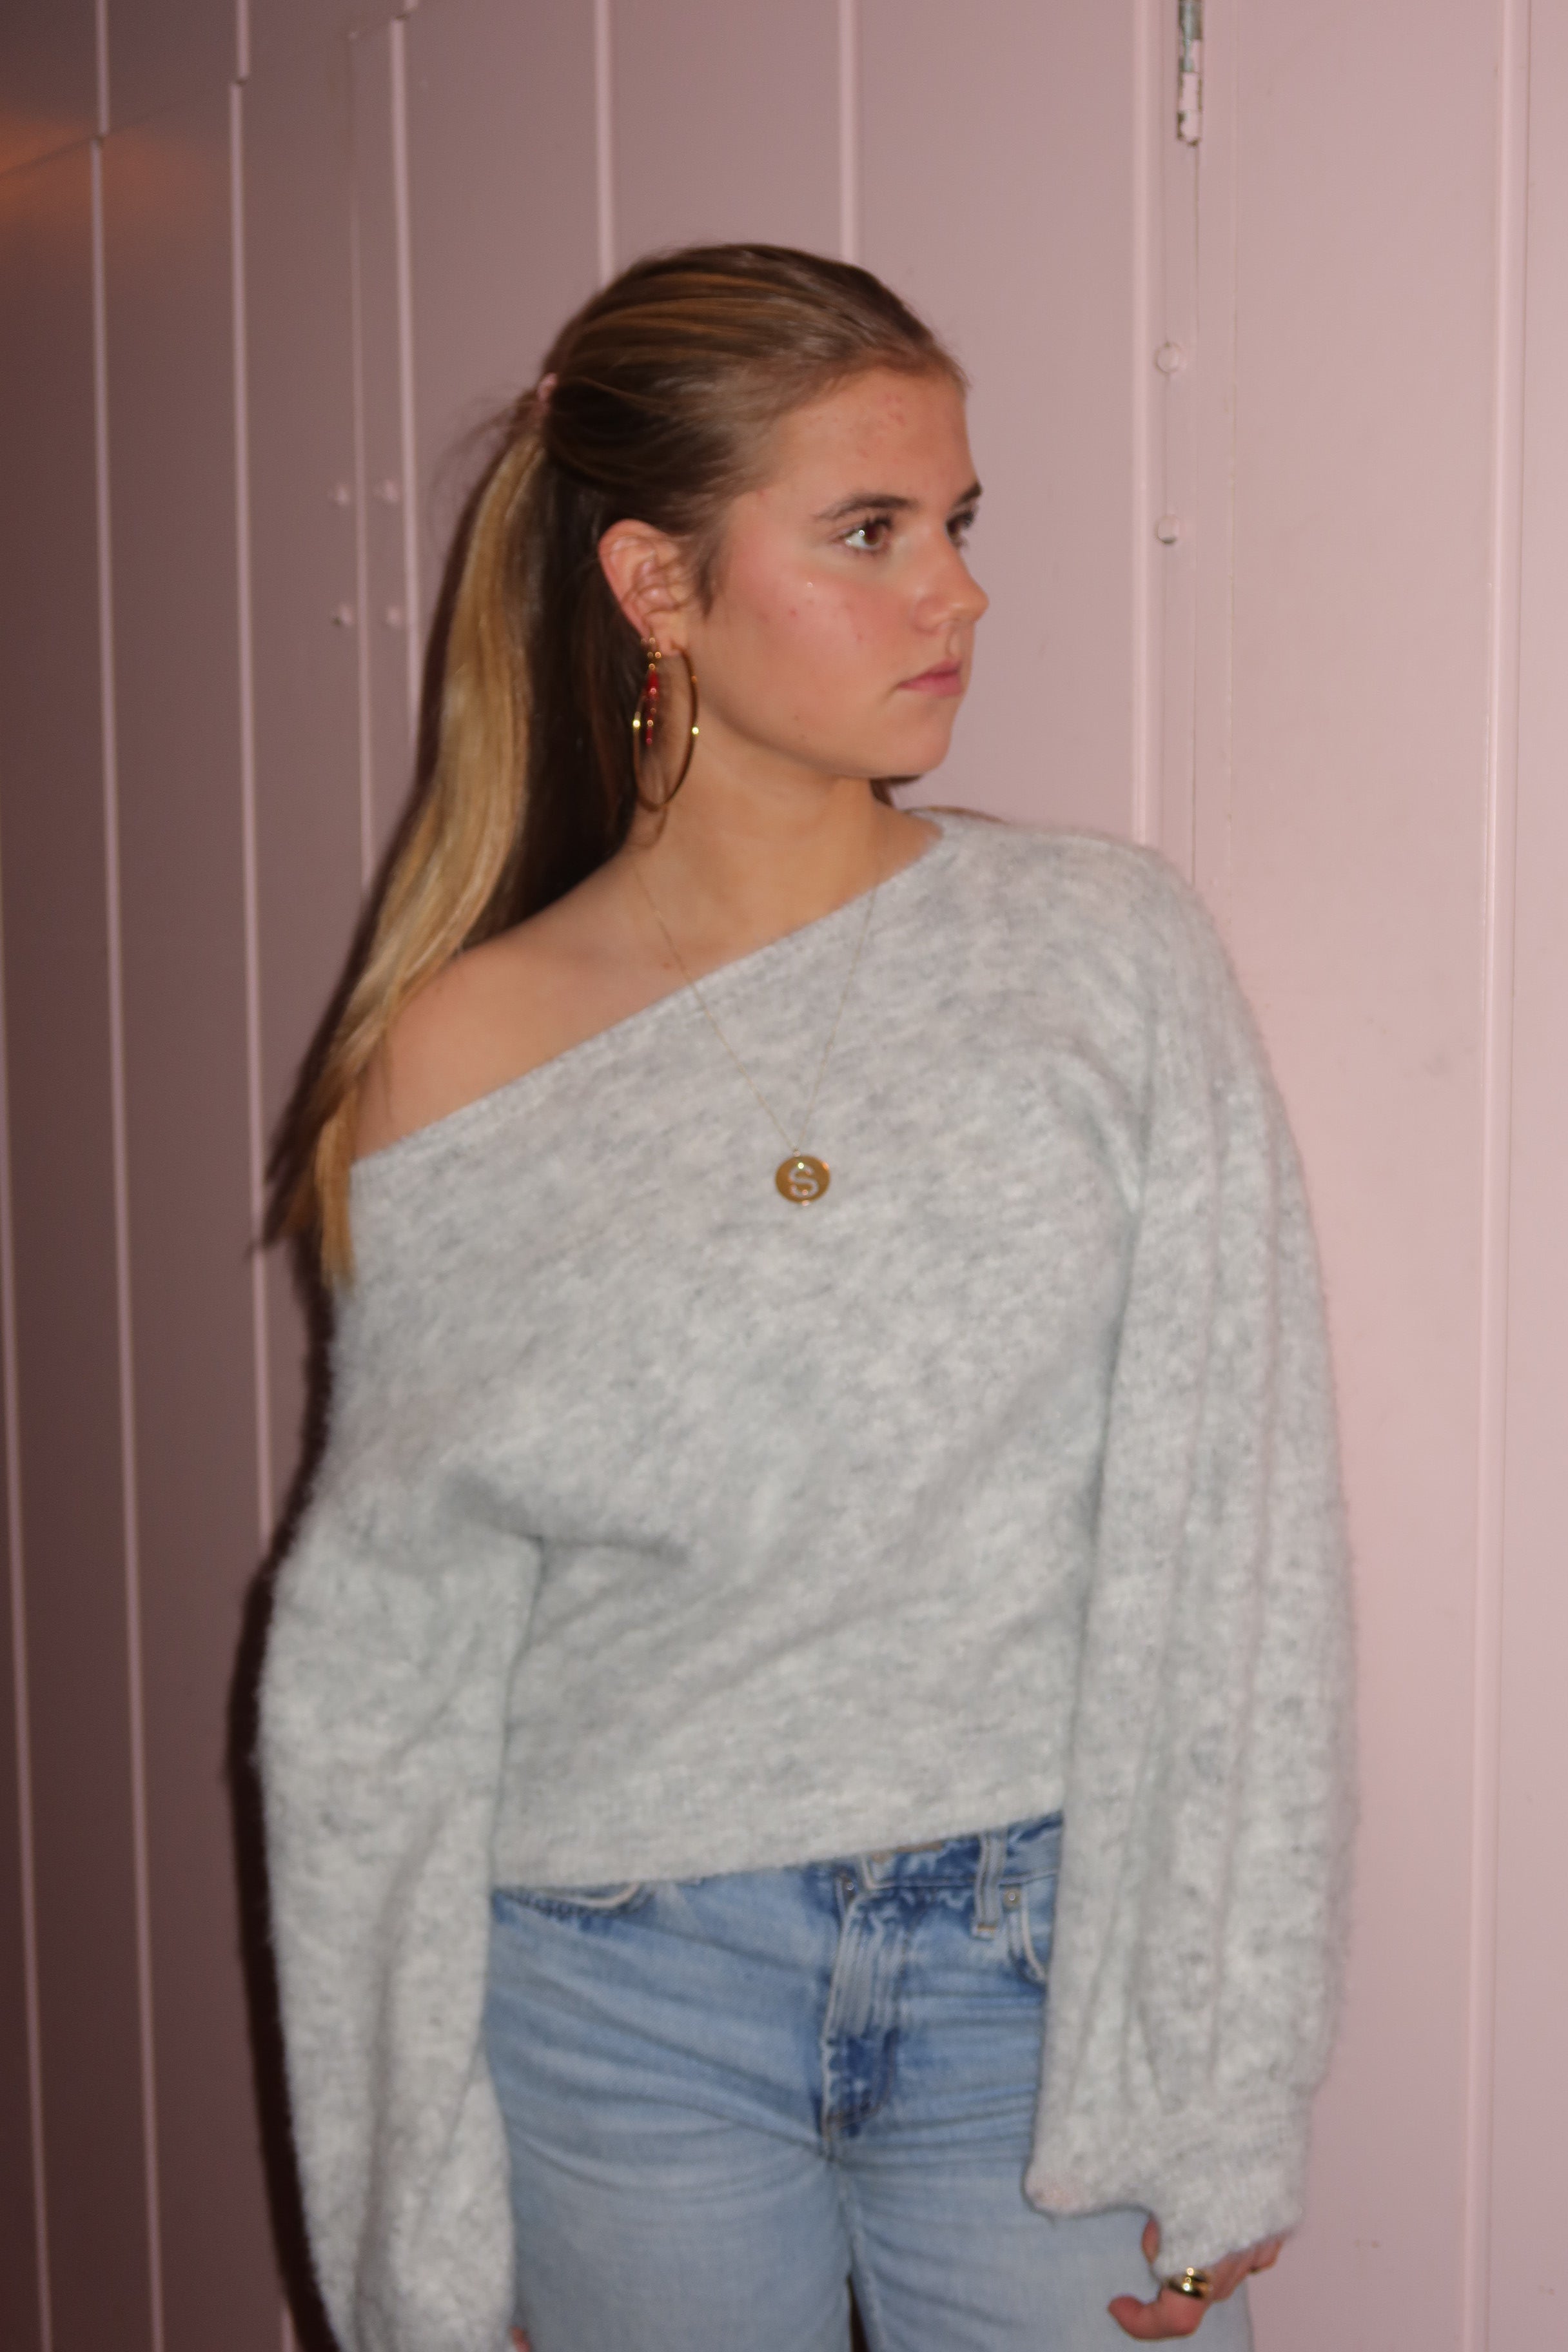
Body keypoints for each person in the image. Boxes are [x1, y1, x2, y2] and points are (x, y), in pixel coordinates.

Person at [260, 243, 1355, 2352]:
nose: (957, 593)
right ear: (656, 583)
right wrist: (414, 2229)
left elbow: (1242, 1535)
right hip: (614, 1989)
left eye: (957, 523)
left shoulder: (1100, 955)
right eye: (869, 532)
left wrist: (1224, 2079)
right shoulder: (461, 1053)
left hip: (1035, 1984)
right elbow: (385, 1668)